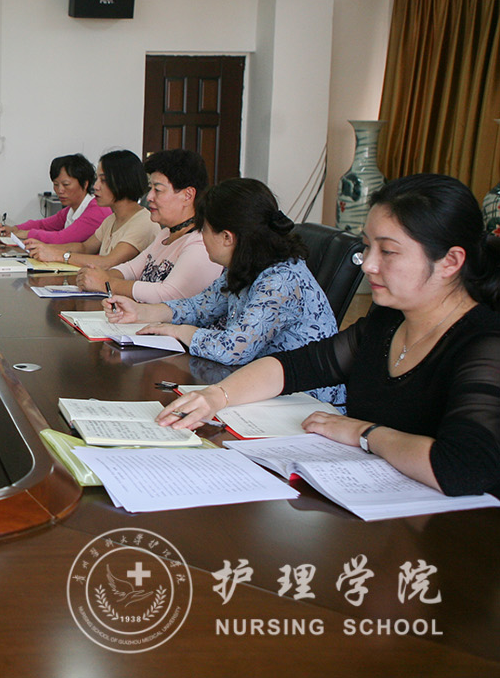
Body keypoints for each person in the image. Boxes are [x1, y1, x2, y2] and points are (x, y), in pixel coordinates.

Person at [158, 174, 500, 497]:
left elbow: (463, 468)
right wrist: (216, 396)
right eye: (367, 247)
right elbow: (295, 366)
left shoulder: (485, 343)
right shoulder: (389, 320)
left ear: (450, 261)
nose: (368, 264)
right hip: (367, 499)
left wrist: (364, 433)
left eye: (388, 251)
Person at [103, 178, 344, 407]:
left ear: (227, 237)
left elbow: (233, 348)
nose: (201, 237)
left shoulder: (280, 280)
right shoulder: (245, 263)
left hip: (305, 402)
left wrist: (179, 331)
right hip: (260, 388)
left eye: (204, 229)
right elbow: (199, 307)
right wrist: (142, 312)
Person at [77, 148, 221, 302]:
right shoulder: (165, 234)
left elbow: (166, 293)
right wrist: (98, 276)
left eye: (158, 190)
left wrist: (106, 283)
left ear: (188, 195)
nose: (149, 197)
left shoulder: (200, 243)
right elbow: (131, 269)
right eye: (150, 188)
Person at [28, 149, 160, 269]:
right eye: (97, 179)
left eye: (103, 180)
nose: (96, 186)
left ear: (123, 181)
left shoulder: (143, 223)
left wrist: (58, 255)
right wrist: (46, 248)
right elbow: (85, 247)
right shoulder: (111, 219)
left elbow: (108, 262)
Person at [0, 154, 110, 245]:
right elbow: (43, 225)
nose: (60, 190)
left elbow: (63, 238)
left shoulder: (96, 210)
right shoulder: (71, 210)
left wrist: (27, 234)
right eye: (56, 184)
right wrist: (14, 229)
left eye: (66, 184)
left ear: (85, 184)